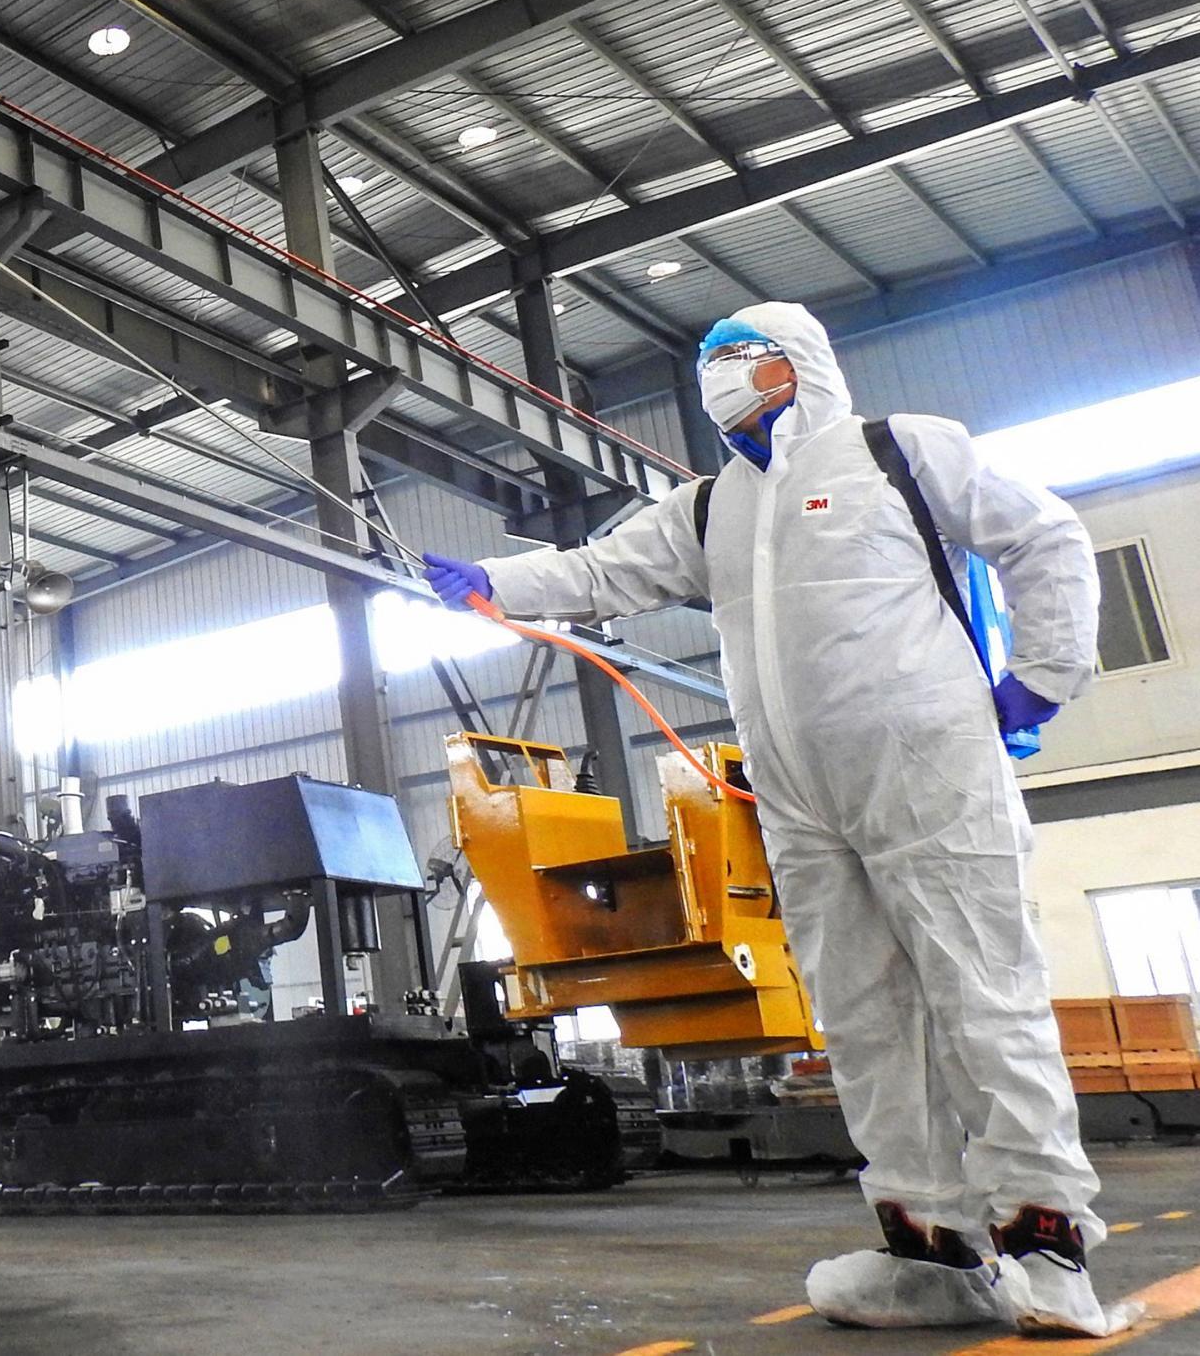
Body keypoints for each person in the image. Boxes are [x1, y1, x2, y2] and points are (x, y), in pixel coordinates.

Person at [425, 302, 1133, 1338]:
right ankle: (929, 1247)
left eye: (734, 356)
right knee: (859, 1014)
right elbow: (599, 569)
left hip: (923, 757)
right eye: (704, 359)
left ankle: (1044, 1243)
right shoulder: (709, 508)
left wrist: (1042, 674)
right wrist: (494, 580)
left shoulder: (891, 449)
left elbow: (1041, 531)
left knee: (980, 989)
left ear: (792, 363)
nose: (716, 374)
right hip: (793, 790)